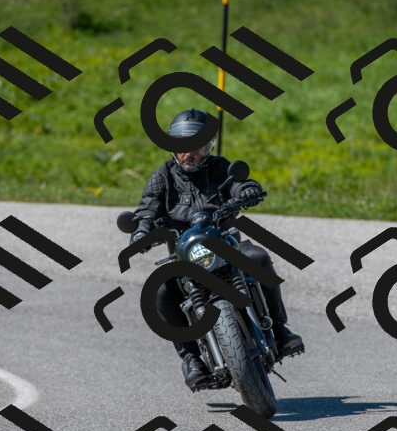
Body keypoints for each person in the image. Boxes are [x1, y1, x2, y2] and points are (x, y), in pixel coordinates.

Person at [130, 108, 304, 388]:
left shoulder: (220, 167)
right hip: (184, 257)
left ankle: (281, 331)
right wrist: (141, 230)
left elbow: (238, 184)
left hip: (226, 245)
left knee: (258, 257)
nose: (190, 153)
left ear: (208, 146)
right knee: (161, 291)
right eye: (183, 146)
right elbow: (147, 209)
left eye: (198, 146)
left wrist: (248, 189)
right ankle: (191, 358)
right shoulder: (162, 177)